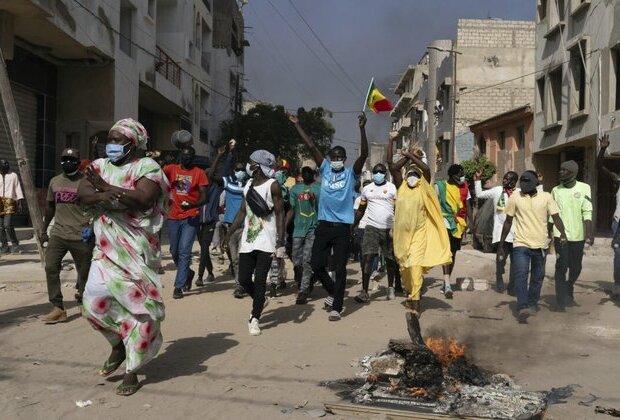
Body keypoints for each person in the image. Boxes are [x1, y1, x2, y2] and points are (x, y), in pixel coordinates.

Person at [78, 118, 169, 396]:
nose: (111, 145)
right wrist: (115, 195)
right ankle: (118, 343)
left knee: (138, 309)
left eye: (118, 140)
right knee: (92, 300)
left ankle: (132, 370)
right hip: (105, 248)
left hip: (137, 248)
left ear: (134, 143)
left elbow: (142, 199)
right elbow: (82, 195)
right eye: (110, 139)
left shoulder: (147, 167)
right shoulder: (98, 166)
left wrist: (103, 190)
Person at [290, 113, 368, 321]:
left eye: (339, 158)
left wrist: (362, 129)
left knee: (340, 268)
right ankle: (334, 291)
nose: (335, 161)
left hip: (342, 227)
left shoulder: (351, 174)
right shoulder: (324, 170)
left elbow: (364, 155)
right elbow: (312, 146)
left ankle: (337, 307)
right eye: (332, 158)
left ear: (344, 159)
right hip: (323, 225)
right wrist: (298, 125)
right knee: (316, 264)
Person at [221, 150, 286, 336]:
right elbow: (242, 211)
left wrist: (280, 241)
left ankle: (254, 317)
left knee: (259, 280)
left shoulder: (273, 185)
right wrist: (229, 234)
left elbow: (280, 214)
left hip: (267, 240)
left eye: (250, 162)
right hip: (248, 240)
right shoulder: (248, 184)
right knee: (243, 279)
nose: (248, 166)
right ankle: (260, 300)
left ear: (257, 166)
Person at [389, 140, 451, 318]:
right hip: (402, 238)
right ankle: (410, 291)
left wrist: (410, 156)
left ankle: (415, 302)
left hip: (419, 235)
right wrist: (400, 152)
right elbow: (394, 168)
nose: (412, 177)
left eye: (415, 175)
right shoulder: (401, 187)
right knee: (405, 270)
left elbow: (427, 170)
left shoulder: (424, 188)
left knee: (415, 267)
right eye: (410, 174)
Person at [498, 170, 568, 323]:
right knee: (521, 275)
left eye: (527, 183)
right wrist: (501, 244)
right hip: (520, 244)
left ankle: (532, 303)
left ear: (536, 183)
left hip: (541, 245)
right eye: (522, 183)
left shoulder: (546, 197)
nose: (524, 186)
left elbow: (556, 217)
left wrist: (562, 234)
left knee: (537, 277)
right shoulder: (515, 197)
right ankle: (523, 306)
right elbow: (508, 221)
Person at [39, 148, 95, 323]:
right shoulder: (54, 181)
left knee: (84, 272)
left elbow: (96, 206)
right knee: (50, 267)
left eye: (72, 159)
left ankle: (84, 300)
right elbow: (50, 207)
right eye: (65, 159)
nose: (67, 162)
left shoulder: (86, 183)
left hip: (81, 235)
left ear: (78, 163)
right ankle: (58, 307)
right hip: (58, 234)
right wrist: (43, 230)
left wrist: (93, 226)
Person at [163, 146, 208, 299]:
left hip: (191, 216)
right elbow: (156, 174)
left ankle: (178, 286)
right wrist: (157, 160)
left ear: (193, 158)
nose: (186, 158)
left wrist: (193, 205)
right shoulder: (172, 169)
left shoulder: (199, 173)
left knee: (184, 251)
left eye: (189, 156)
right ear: (180, 156)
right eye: (184, 155)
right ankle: (188, 273)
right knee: (174, 251)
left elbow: (204, 197)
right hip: (173, 216)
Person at [550, 160, 594, 310]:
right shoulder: (556, 190)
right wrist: (547, 233)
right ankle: (560, 300)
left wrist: (589, 232)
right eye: (560, 169)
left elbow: (587, 210)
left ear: (572, 172)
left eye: (564, 170)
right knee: (561, 266)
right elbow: (552, 214)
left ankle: (569, 286)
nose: (560, 172)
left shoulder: (584, 188)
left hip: (578, 236)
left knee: (576, 268)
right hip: (560, 235)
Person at [353, 163, 398, 302]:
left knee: (390, 259)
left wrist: (396, 226)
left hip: (388, 228)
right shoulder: (366, 189)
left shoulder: (391, 187)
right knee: (368, 258)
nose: (378, 174)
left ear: (385, 173)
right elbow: (361, 209)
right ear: (372, 174)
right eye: (376, 172)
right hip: (371, 227)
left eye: (381, 171)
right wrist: (353, 224)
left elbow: (398, 208)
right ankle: (364, 292)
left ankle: (391, 288)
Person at [473, 170, 519, 293]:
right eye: (504, 178)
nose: (505, 180)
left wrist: (539, 184)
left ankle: (512, 286)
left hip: (516, 233)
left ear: (514, 182)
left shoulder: (519, 193)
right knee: (500, 259)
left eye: (508, 179)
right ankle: (499, 278)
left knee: (516, 263)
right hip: (501, 233)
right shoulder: (497, 191)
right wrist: (477, 180)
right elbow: (479, 194)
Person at [196, 144, 232, 287]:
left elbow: (222, 170)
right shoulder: (198, 188)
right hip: (197, 221)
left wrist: (225, 155)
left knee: (204, 248)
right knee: (204, 249)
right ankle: (210, 272)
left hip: (210, 222)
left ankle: (200, 276)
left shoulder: (216, 188)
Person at [435, 164, 470, 299]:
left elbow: (465, 206)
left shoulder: (461, 188)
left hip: (457, 224)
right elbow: (434, 204)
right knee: (447, 252)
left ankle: (446, 281)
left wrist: (468, 223)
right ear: (452, 175)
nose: (461, 177)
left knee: (453, 254)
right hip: (444, 222)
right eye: (459, 174)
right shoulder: (440, 186)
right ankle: (448, 285)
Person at [286, 166, 321, 304]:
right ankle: (308, 279)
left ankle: (304, 290)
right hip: (298, 229)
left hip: (314, 228)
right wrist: (283, 227)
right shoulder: (295, 189)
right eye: (303, 172)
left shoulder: (319, 188)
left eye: (309, 171)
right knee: (296, 259)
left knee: (307, 259)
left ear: (314, 174)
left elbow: (324, 207)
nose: (306, 174)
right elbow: (291, 210)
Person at [222, 158, 250, 298]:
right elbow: (220, 174)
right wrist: (229, 154)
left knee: (241, 257)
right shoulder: (228, 184)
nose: (240, 172)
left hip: (246, 227)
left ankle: (240, 285)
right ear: (233, 171)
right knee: (234, 259)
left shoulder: (249, 185)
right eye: (237, 169)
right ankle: (241, 283)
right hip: (231, 228)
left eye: (242, 169)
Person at [597, 134, 620, 298]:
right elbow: (599, 167)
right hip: (618, 223)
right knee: (619, 255)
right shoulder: (618, 179)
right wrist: (603, 149)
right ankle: (617, 285)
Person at [0, 159, 24, 254]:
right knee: (0, 227)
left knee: (8, 225)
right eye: (4, 163)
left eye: (7, 163)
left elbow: (17, 188)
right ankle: (4, 245)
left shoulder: (14, 175)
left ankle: (14, 243)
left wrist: (20, 202)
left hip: (10, 202)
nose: (6, 164)